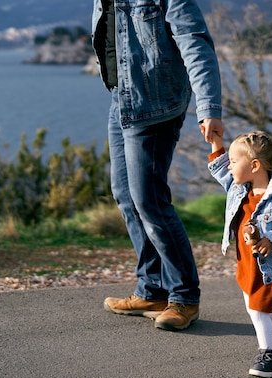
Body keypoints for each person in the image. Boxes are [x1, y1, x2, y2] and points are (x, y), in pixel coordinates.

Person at [92, 0, 224, 331]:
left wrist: (208, 107)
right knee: (125, 193)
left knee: (150, 199)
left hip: (156, 102)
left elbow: (194, 40)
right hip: (122, 97)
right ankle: (152, 290)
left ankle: (184, 297)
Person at [207, 130, 272, 378]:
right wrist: (216, 143)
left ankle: (268, 354)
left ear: (254, 165)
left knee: (256, 309)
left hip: (268, 267)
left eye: (233, 161)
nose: (229, 167)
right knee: (254, 301)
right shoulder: (241, 187)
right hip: (246, 261)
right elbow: (220, 172)